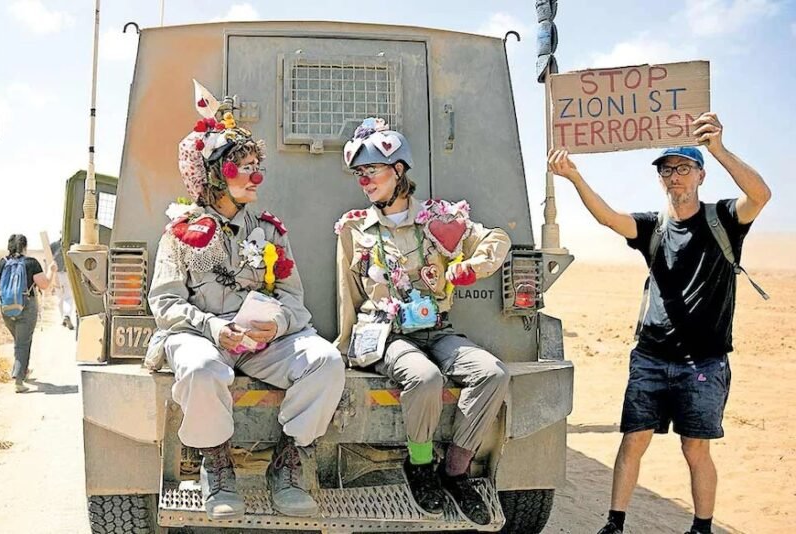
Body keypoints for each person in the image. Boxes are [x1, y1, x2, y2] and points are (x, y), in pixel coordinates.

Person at [548, 112, 772, 534]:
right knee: (633, 440)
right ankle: (615, 524)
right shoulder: (653, 226)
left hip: (703, 363)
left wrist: (718, 149)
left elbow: (760, 195)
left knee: (695, 449)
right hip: (650, 358)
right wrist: (575, 177)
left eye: (683, 168)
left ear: (700, 175)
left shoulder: (723, 220)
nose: (675, 177)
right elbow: (608, 217)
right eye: (667, 170)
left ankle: (701, 528)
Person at [145, 81, 345, 519]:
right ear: (217, 175)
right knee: (200, 367)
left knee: (326, 361)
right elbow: (165, 304)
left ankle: (288, 463)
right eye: (244, 167)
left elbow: (294, 301)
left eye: (258, 167)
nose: (256, 177)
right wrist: (215, 327)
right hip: (202, 335)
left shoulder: (270, 231)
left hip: (261, 344)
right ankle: (216, 466)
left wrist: (278, 325)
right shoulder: (180, 233)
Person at [334, 118, 512, 524]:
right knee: (425, 377)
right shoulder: (354, 229)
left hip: (437, 329)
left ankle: (456, 470)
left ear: (399, 170)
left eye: (372, 170)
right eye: (359, 173)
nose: (365, 181)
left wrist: (470, 267)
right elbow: (348, 292)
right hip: (387, 334)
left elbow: (496, 239)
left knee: (492, 373)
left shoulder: (439, 220)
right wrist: (345, 346)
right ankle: (419, 467)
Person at [0, 234, 57, 393]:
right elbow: (45, 285)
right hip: (27, 308)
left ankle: (23, 370)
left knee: (20, 341)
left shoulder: (1, 263)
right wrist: (51, 271)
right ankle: (18, 381)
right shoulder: (31, 263)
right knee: (23, 343)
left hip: (6, 309)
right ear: (25, 247)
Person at [49, 235, 76, 330]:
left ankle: (63, 318)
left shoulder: (53, 245)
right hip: (67, 274)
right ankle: (66, 315)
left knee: (60, 297)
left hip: (56, 274)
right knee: (68, 296)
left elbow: (49, 260)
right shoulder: (72, 245)